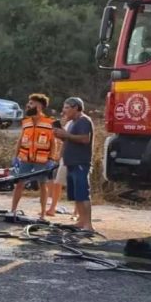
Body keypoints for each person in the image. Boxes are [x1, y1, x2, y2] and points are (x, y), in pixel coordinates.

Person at [9, 94, 61, 219]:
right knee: (19, 184)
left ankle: (42, 214)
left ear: (39, 106)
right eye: (29, 103)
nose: (28, 105)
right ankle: (12, 210)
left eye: (32, 103)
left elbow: (54, 143)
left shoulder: (50, 122)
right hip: (25, 158)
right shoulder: (26, 122)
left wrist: (52, 159)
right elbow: (20, 140)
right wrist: (15, 156)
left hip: (42, 160)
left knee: (42, 185)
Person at [52, 97, 95, 231]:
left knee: (83, 193)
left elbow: (85, 139)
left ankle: (88, 225)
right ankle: (81, 222)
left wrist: (66, 134)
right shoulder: (72, 122)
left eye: (66, 107)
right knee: (76, 195)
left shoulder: (84, 120)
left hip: (80, 161)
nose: (63, 111)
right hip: (70, 161)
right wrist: (60, 135)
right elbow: (69, 140)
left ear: (75, 107)